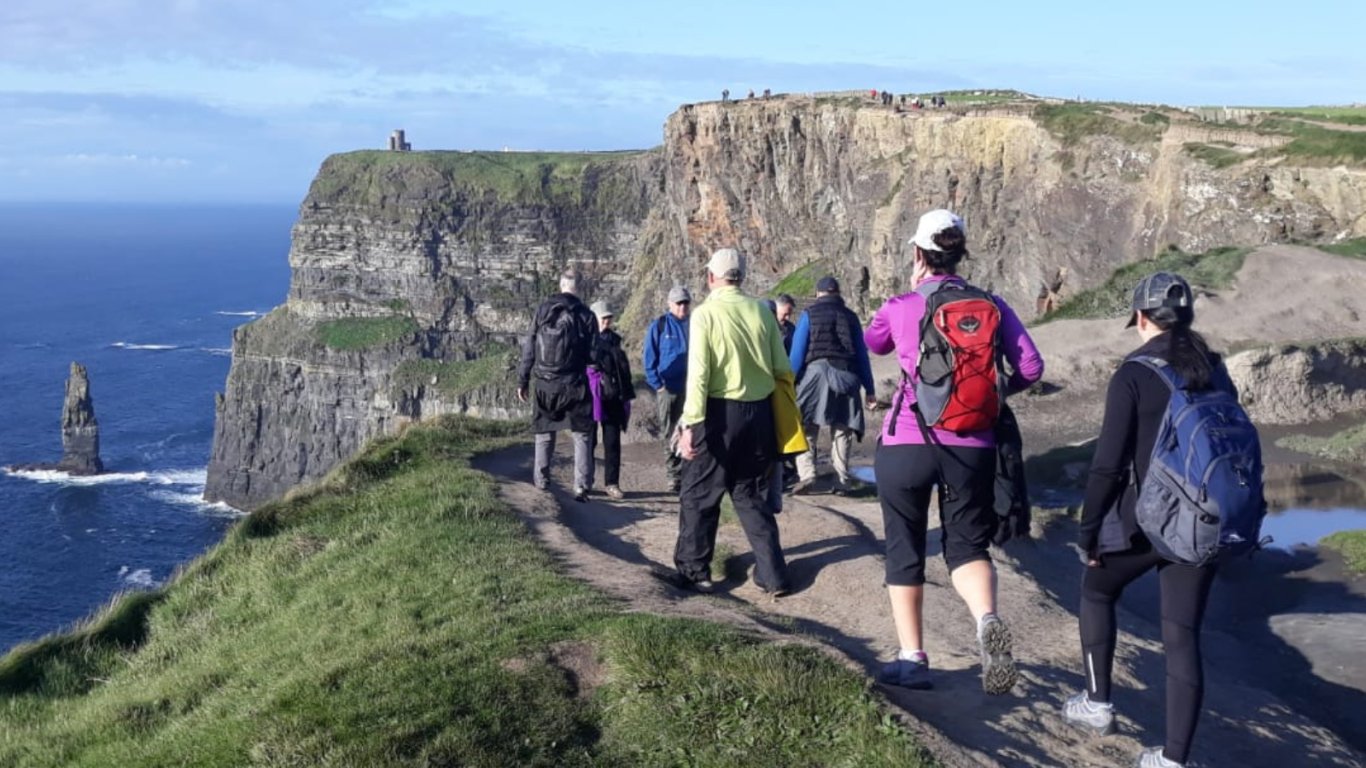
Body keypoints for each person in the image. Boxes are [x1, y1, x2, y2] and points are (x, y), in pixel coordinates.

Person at [864, 209, 1044, 693]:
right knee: (967, 545)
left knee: (904, 546)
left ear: (919, 253)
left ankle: (912, 657)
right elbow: (1030, 365)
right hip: (974, 443)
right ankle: (987, 620)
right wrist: (992, 393)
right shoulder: (992, 304)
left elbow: (872, 343)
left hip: (906, 440)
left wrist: (907, 294)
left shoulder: (901, 304)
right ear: (961, 253)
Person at [1062, 272, 1232, 768]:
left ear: (1140, 317)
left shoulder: (1134, 373)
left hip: (1146, 522)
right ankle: (1173, 759)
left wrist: (1088, 530)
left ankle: (1096, 703)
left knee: (1096, 589)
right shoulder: (1214, 367)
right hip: (1203, 519)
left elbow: (1108, 464)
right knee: (1181, 635)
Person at [660, 248, 792, 595]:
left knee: (700, 493)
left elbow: (699, 374)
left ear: (711, 277)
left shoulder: (705, 315)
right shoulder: (763, 313)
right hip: (759, 413)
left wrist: (689, 424)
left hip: (718, 413)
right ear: (742, 277)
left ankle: (694, 571)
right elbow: (782, 368)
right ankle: (773, 575)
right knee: (750, 494)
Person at [788, 276, 876, 495]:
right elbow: (862, 356)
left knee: (806, 424)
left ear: (818, 294)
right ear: (838, 294)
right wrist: (870, 389)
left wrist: (789, 382)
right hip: (847, 373)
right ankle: (841, 478)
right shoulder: (851, 317)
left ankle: (808, 474)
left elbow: (797, 354)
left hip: (815, 374)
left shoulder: (809, 314)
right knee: (843, 428)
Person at [518, 270, 598, 502]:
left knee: (544, 433)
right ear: (578, 288)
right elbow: (594, 354)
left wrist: (523, 380)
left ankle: (541, 481)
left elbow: (529, 347)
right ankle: (581, 486)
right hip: (574, 383)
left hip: (545, 384)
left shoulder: (543, 310)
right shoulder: (586, 315)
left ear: (560, 286)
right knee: (582, 434)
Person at [643, 285, 691, 492]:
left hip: (690, 389)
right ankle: (673, 475)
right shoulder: (659, 326)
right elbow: (649, 358)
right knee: (669, 430)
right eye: (679, 303)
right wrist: (658, 385)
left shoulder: (695, 324)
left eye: (685, 302)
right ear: (670, 304)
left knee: (690, 430)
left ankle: (689, 473)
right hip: (668, 389)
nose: (682, 306)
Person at [587, 300, 635, 500]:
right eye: (603, 318)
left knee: (612, 441)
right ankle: (585, 480)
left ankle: (612, 483)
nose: (607, 321)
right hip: (591, 396)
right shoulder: (585, 341)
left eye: (609, 318)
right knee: (588, 439)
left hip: (613, 395)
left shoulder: (616, 341)